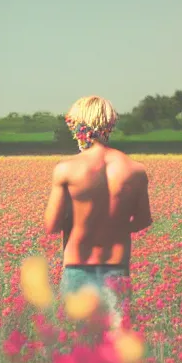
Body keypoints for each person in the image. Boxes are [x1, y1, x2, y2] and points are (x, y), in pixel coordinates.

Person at [44, 96, 152, 328]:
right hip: (117, 271)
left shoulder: (66, 169)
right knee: (116, 351)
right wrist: (117, 224)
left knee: (78, 351)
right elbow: (144, 219)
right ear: (110, 124)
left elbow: (51, 225)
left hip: (77, 270)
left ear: (76, 126)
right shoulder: (135, 170)